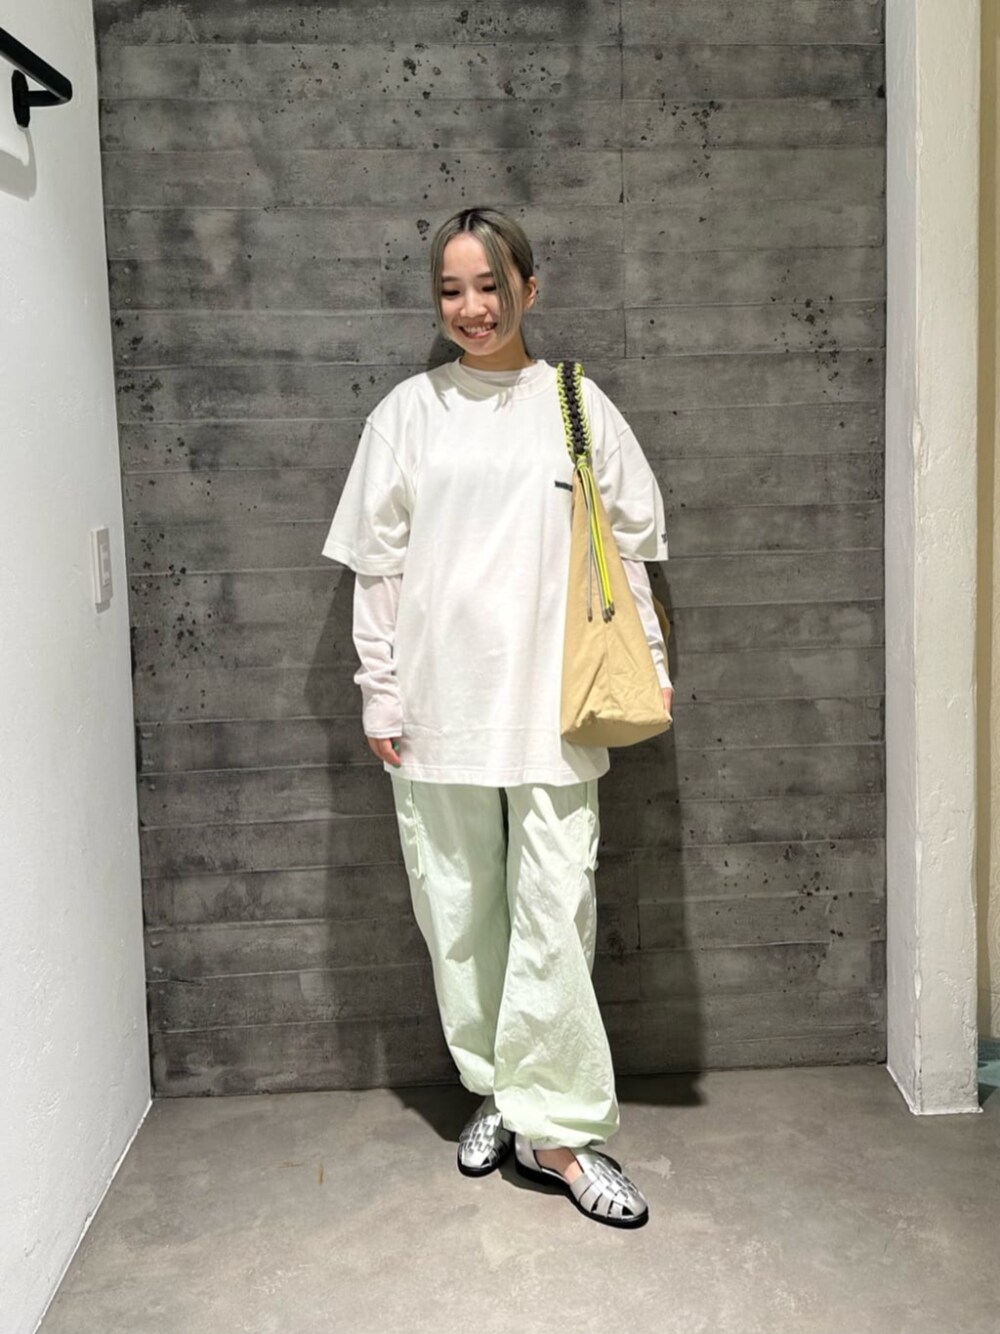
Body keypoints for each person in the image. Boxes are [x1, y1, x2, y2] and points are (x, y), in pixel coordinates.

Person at [321, 206, 672, 1229]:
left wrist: (649, 665)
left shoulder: (575, 402)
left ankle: (555, 1135)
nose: (472, 307)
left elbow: (624, 549)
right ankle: (502, 1093)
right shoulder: (408, 413)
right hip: (438, 705)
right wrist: (380, 688)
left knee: (554, 909)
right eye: (451, 289)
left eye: (490, 284)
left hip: (555, 705)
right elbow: (378, 568)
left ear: (529, 286)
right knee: (458, 911)